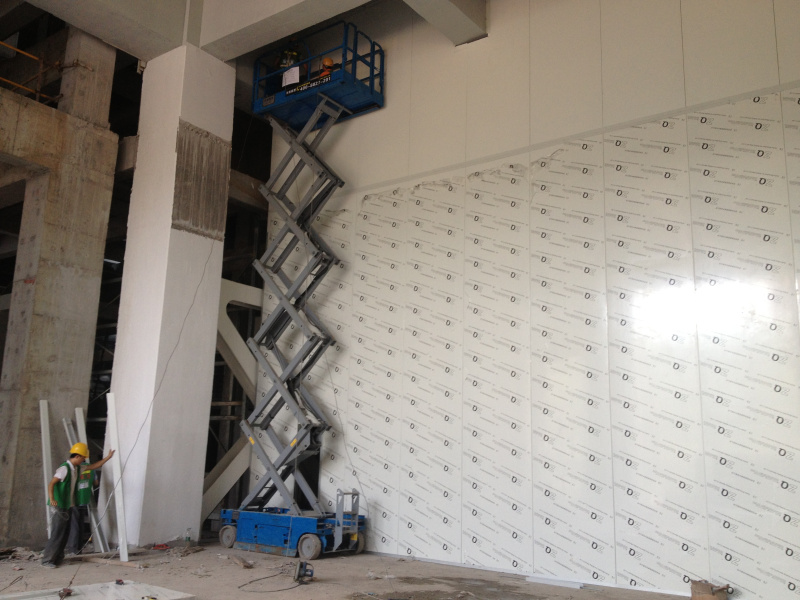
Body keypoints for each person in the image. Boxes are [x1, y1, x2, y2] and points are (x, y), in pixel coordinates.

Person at [41, 443, 114, 568]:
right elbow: (52, 483)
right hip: (60, 505)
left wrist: (108, 458)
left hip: (68, 504)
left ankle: (57, 558)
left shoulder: (77, 468)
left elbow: (93, 466)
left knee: (65, 532)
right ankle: (47, 560)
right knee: (58, 533)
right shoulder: (64, 469)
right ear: (77, 456)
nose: (83, 460)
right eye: (83, 458)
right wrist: (52, 498)